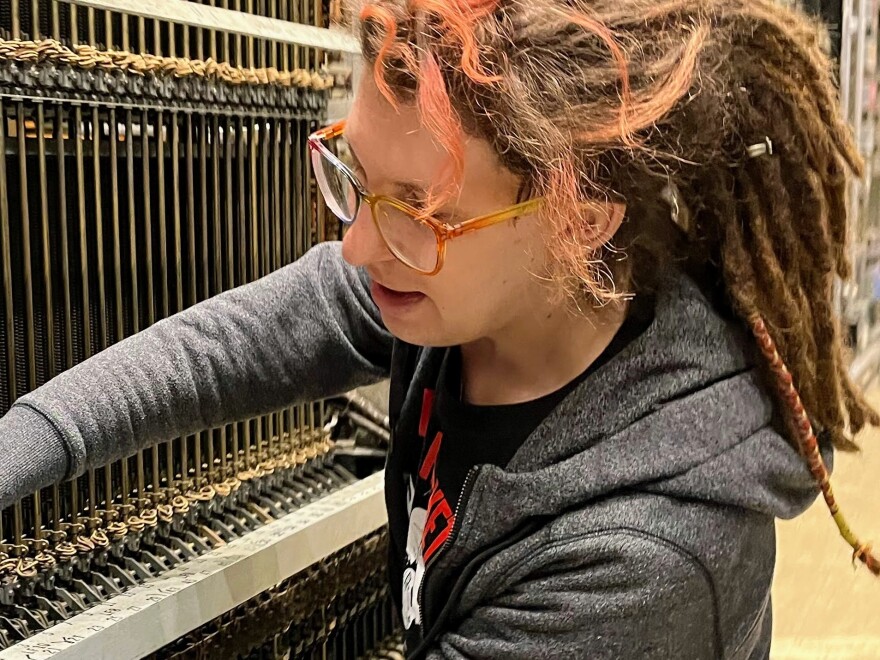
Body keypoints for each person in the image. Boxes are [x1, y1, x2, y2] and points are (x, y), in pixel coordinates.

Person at [1, 0, 878, 657]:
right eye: (358, 178)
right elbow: (225, 347)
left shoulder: (639, 563)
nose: (352, 246)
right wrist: (26, 442)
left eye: (416, 208)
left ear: (581, 217)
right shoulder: (474, 294)